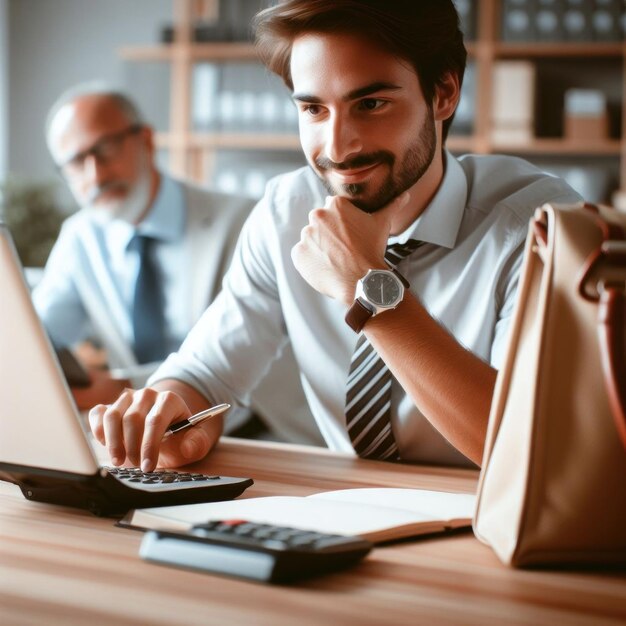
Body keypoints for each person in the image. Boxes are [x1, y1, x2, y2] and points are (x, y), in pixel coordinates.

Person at [88, 0, 581, 472]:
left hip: (493, 522)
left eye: (371, 103)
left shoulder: (539, 226)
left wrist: (368, 287)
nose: (338, 147)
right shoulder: (286, 211)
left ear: (444, 93)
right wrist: (167, 416)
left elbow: (525, 451)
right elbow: (206, 373)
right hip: (347, 509)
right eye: (314, 110)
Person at [35, 82, 320, 445]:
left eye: (105, 149)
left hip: (261, 434)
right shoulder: (78, 238)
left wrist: (127, 387)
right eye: (76, 162)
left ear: (147, 140)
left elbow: (248, 359)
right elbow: (39, 335)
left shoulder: (243, 221)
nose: (96, 175)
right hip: (147, 437)